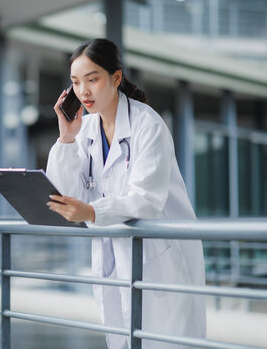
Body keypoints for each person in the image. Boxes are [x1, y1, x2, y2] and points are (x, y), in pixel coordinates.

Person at [46, 38, 206, 349]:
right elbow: (64, 192)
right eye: (76, 83)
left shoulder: (148, 125)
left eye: (93, 80)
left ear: (116, 78)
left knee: (165, 341)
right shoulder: (86, 130)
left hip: (161, 261)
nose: (84, 92)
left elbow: (147, 198)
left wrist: (92, 212)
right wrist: (66, 138)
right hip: (115, 260)